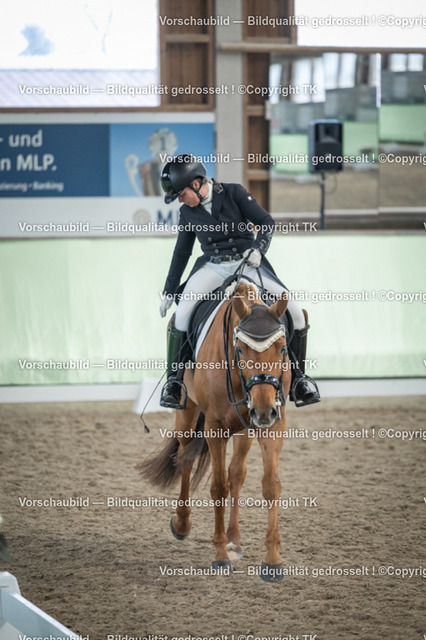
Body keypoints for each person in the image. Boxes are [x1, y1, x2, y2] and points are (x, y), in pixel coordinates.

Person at [159, 154, 320, 410]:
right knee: (182, 315)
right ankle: (174, 382)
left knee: (296, 313)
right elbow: (182, 252)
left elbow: (266, 221)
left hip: (248, 262)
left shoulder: (234, 193)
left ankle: (300, 379)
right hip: (213, 267)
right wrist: (169, 290)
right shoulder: (187, 212)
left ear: (197, 184)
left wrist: (259, 249)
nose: (180, 200)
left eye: (182, 194)